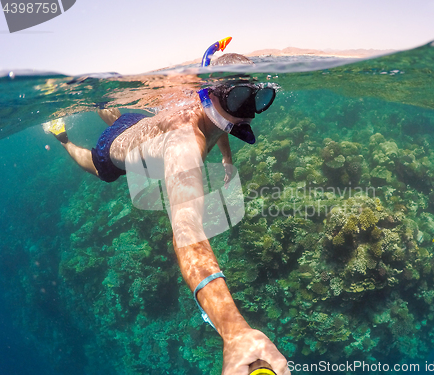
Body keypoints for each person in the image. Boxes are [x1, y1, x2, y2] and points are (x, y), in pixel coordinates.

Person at [46, 40, 290, 375]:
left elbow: (224, 124)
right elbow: (187, 232)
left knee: (121, 118)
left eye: (258, 100)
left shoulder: (215, 110)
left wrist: (226, 159)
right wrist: (234, 331)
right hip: (115, 152)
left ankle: (101, 100)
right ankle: (62, 138)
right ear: (212, 94)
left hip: (137, 123)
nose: (246, 111)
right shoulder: (183, 146)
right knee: (93, 164)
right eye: (237, 99)